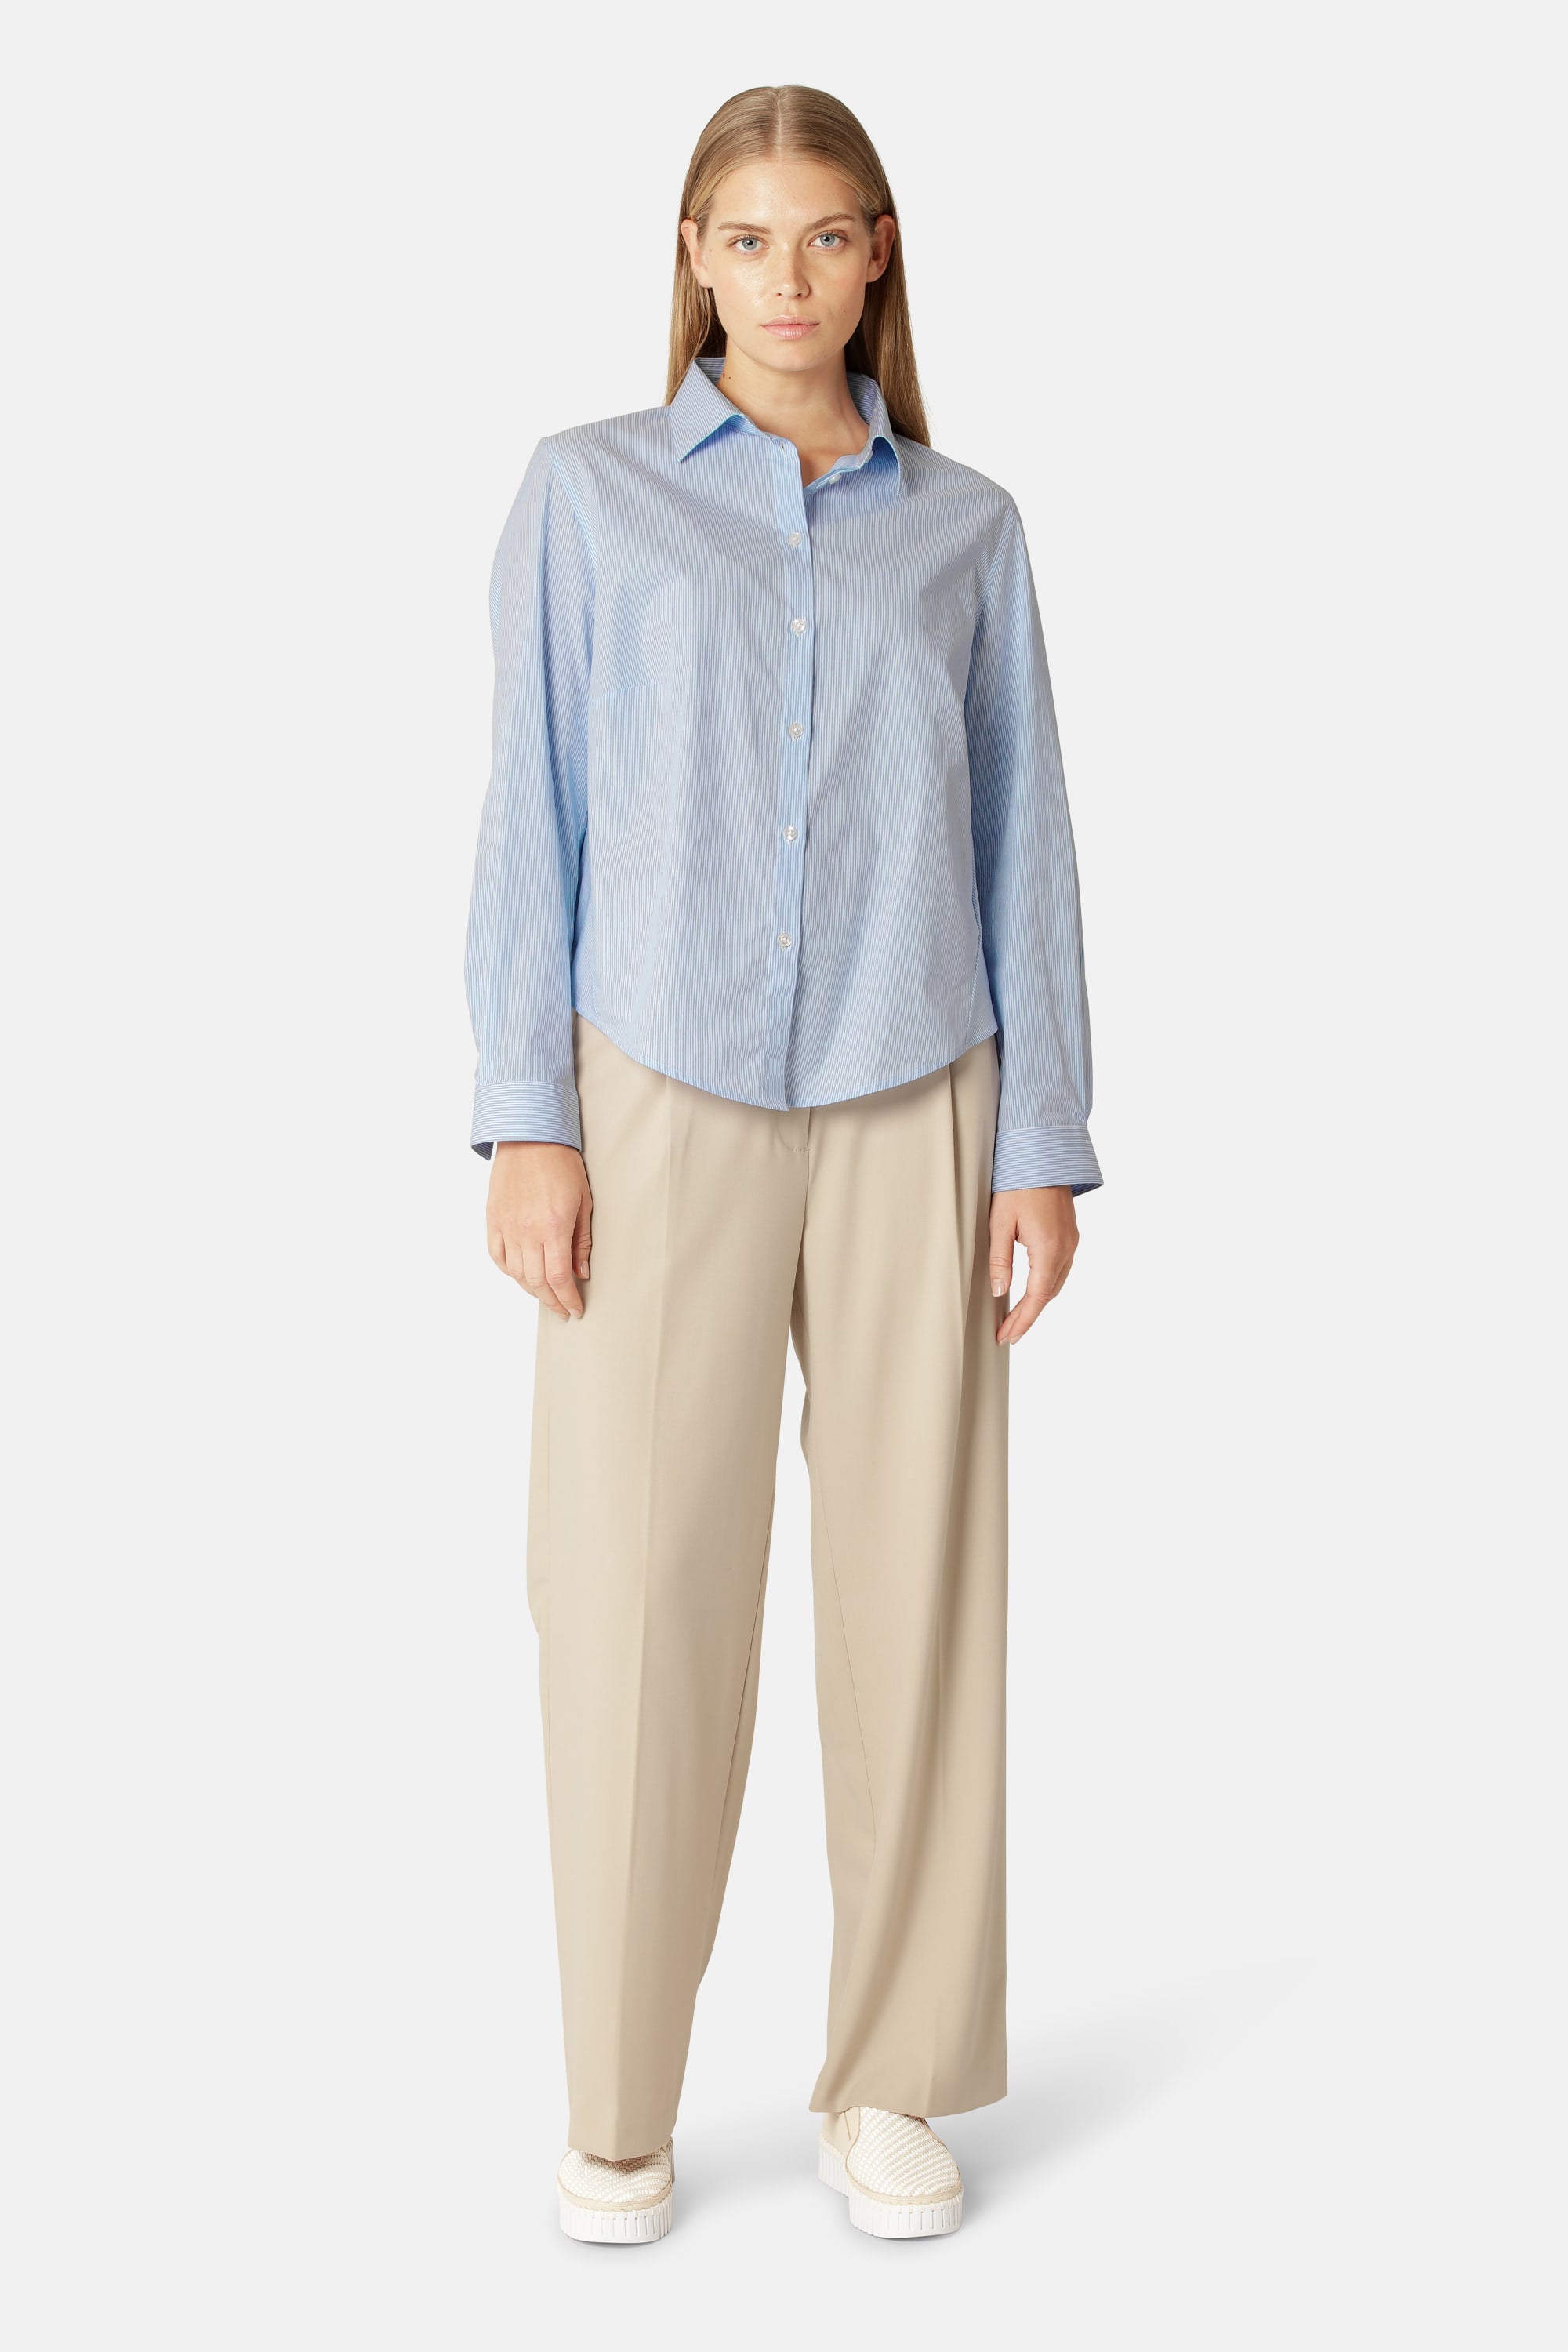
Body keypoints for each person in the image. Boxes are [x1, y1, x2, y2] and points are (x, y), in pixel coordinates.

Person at [463, 84, 1102, 2245]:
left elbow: (1026, 842)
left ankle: (891, 2073)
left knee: (920, 1588)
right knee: (632, 1587)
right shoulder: (590, 498)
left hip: (924, 1085)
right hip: (654, 1090)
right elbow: (531, 815)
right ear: (694, 257)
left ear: (880, 254)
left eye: (827, 236)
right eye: (748, 239)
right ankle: (619, 2102)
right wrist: (528, 1116)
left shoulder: (970, 532)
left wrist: (1041, 1143)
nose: (789, 278)